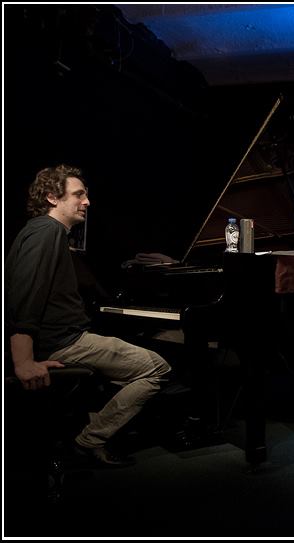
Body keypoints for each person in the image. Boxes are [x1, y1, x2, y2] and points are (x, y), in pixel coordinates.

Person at [6, 164, 172, 467]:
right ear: (52, 197)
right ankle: (89, 440)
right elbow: (25, 295)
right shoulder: (47, 230)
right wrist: (23, 361)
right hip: (64, 342)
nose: (87, 201)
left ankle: (87, 423)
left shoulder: (43, 232)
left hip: (61, 338)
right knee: (156, 368)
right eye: (78, 194)